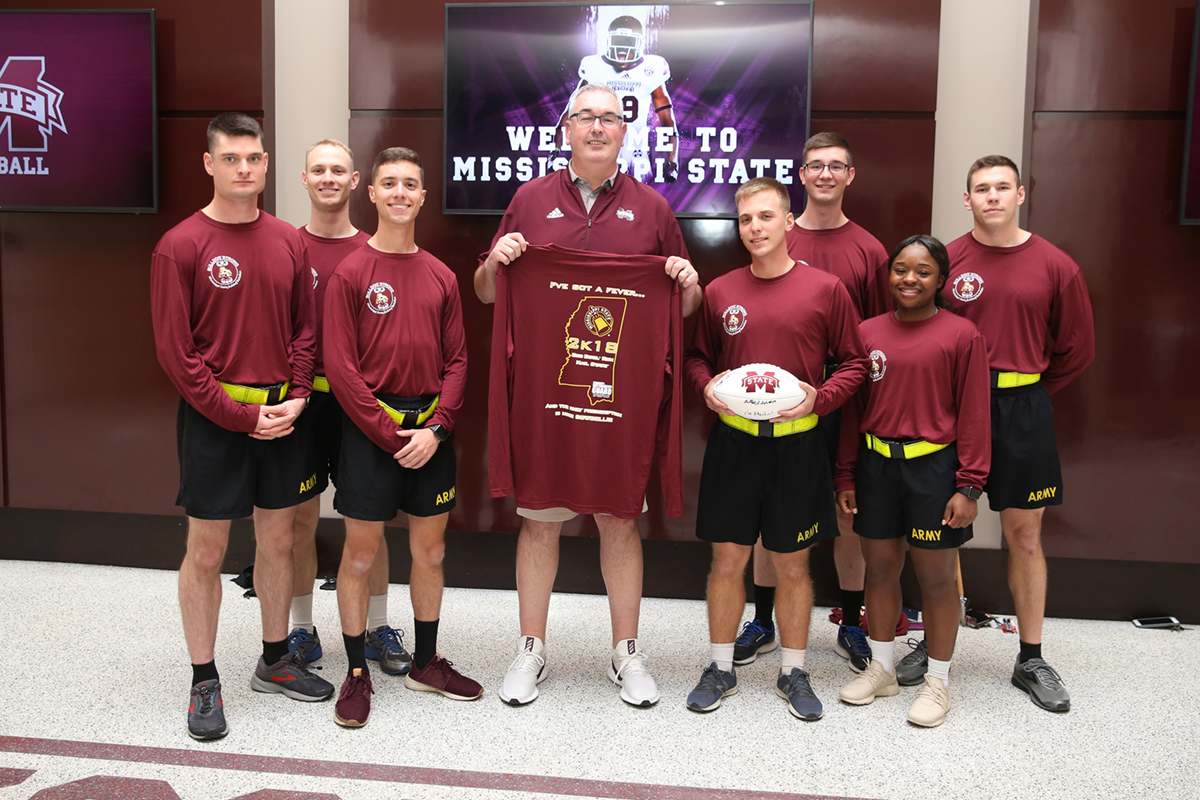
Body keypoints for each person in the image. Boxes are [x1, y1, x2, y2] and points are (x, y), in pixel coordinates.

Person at [475, 82, 701, 707]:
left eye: (610, 118)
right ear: (566, 130)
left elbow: (683, 309)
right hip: (549, 398)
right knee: (539, 522)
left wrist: (686, 281)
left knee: (619, 521)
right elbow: (489, 293)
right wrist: (497, 259)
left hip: (619, 401)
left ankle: (625, 651)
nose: (598, 127)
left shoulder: (654, 208)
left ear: (626, 130)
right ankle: (530, 648)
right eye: (586, 117)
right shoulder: (529, 199)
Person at [151, 113, 334, 742]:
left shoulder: (288, 239)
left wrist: (299, 397)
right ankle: (205, 678)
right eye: (231, 159)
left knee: (279, 543)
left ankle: (275, 659)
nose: (245, 170)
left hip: (283, 417)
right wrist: (238, 415)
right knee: (206, 550)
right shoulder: (180, 245)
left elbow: (306, 331)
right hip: (214, 421)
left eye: (254, 158)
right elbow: (177, 355)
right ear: (209, 164)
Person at [897, 155, 1094, 712]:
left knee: (1025, 536)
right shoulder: (946, 259)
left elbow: (1076, 350)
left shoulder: (1056, 265)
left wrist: (1023, 392)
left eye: (1002, 187)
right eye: (981, 188)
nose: (992, 196)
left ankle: (1030, 656)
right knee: (936, 532)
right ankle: (937, 648)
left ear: (1020, 194)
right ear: (967, 199)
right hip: (951, 409)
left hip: (1021, 409)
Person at [683, 177, 867, 720]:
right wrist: (708, 390)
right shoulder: (720, 292)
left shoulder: (826, 289)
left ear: (789, 222)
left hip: (798, 448)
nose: (755, 228)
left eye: (765, 217)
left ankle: (793, 671)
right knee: (727, 560)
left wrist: (820, 397)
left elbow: (856, 363)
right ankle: (720, 667)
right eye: (745, 220)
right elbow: (697, 359)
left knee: (792, 565)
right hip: (734, 445)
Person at [323, 147, 479, 727]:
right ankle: (357, 673)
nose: (398, 193)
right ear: (373, 192)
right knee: (361, 555)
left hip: (431, 434)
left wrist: (436, 430)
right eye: (388, 182)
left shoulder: (440, 274)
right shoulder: (351, 272)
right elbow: (341, 369)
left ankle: (425, 661)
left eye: (409, 184)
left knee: (430, 552)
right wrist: (393, 435)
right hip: (372, 433)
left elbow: (459, 361)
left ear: (422, 196)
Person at [737, 132, 892, 675]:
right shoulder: (775, 232)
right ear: (800, 176)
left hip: (841, 402)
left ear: (851, 175)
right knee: (764, 510)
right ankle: (761, 619)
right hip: (774, 403)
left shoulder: (869, 250)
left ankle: (851, 621)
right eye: (815, 166)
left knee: (847, 510)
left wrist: (839, 397)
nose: (825, 174)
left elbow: (872, 339)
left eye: (836, 166)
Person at [834, 235, 991, 727]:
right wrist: (846, 473)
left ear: (941, 279)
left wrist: (970, 486)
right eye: (901, 269)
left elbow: (975, 415)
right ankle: (881, 669)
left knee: (936, 580)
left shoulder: (962, 336)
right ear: (889, 275)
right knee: (879, 571)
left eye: (923, 271)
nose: (910, 279)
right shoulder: (867, 331)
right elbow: (852, 410)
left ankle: (937, 681)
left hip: (935, 471)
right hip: (877, 466)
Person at [287, 139, 412, 678]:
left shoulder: (374, 250)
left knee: (371, 518)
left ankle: (380, 625)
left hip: (363, 402)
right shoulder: (284, 247)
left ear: (356, 181)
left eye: (339, 170)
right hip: (304, 401)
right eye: (319, 170)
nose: (329, 178)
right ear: (305, 179)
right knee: (298, 518)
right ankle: (299, 626)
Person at [552, 10, 679, 183]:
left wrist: (672, 161)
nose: (623, 48)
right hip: (601, 148)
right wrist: (556, 151)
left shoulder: (652, 68)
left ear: (640, 43)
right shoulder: (594, 66)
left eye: (628, 41)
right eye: (618, 41)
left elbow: (668, 122)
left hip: (636, 150)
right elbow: (569, 115)